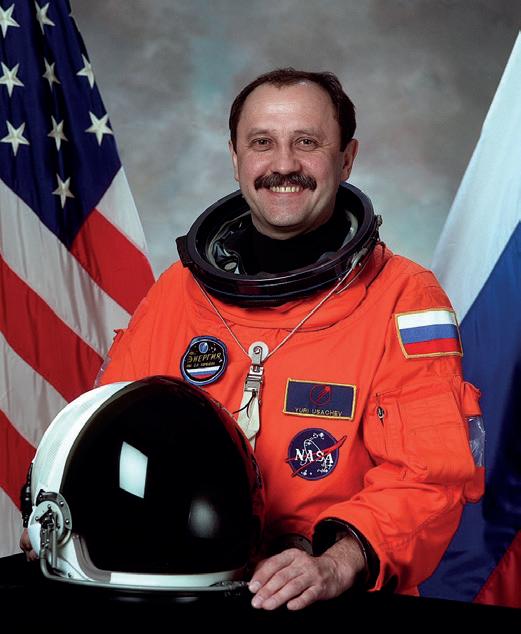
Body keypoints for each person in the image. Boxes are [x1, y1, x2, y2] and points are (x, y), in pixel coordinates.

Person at [21, 68, 484, 610]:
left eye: (306, 142)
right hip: (178, 588)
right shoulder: (179, 291)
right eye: (262, 143)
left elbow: (430, 476)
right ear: (236, 157)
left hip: (325, 599)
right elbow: (104, 434)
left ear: (346, 158)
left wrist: (339, 560)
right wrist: (66, 510)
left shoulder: (404, 297)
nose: (283, 165)